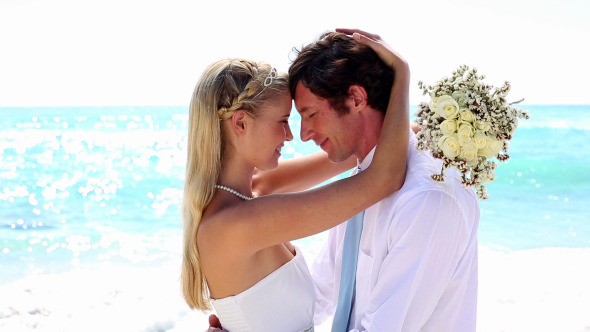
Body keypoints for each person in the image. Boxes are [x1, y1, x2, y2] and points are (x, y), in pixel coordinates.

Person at [183, 31, 410, 331]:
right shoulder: (238, 224)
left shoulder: (249, 194)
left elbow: (354, 155)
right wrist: (401, 75)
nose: (292, 135)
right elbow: (384, 178)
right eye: (282, 121)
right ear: (240, 123)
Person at [283, 29, 480, 331]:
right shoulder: (360, 182)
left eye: (310, 114)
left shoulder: (427, 197)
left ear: (356, 98)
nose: (304, 134)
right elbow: (320, 294)